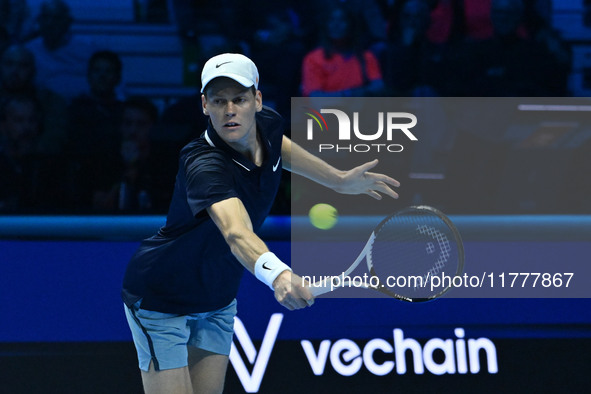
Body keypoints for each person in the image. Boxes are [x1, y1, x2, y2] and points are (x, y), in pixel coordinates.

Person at [121, 53, 400, 393]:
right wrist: (278, 273)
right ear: (204, 105)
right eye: (219, 101)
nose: (230, 110)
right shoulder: (204, 164)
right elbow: (236, 233)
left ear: (257, 100)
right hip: (161, 298)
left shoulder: (267, 123)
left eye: (239, 99)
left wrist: (338, 180)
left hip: (217, 299)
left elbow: (279, 148)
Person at [300, 5, 384, 97]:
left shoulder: (366, 56)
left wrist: (363, 92)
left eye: (342, 20)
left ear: (351, 25)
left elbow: (378, 85)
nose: (336, 25)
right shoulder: (313, 59)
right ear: (326, 25)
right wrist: (348, 94)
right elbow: (315, 96)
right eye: (331, 20)